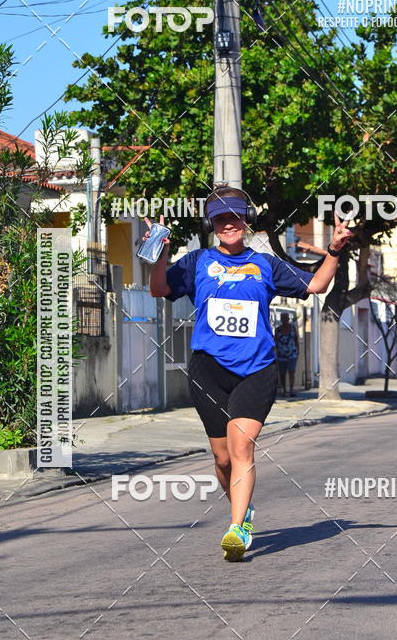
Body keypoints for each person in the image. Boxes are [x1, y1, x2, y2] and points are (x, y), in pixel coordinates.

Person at [146, 184, 351, 560]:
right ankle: (242, 510)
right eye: (221, 218)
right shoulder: (196, 263)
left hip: (256, 369)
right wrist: (160, 254)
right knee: (222, 459)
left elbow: (316, 284)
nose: (229, 224)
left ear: (246, 219)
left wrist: (335, 248)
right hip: (208, 370)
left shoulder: (266, 263)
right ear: (212, 224)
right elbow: (158, 289)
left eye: (235, 216)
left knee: (242, 448)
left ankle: (238, 528)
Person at [274, 311, 299, 397]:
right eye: (283, 318)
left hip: (292, 354)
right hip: (281, 355)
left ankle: (291, 390)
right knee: (282, 373)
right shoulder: (278, 329)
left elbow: (296, 340)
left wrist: (297, 351)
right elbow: (275, 341)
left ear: (288, 319)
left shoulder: (292, 328)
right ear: (281, 319)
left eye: (286, 318)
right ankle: (284, 391)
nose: (285, 320)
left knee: (291, 372)